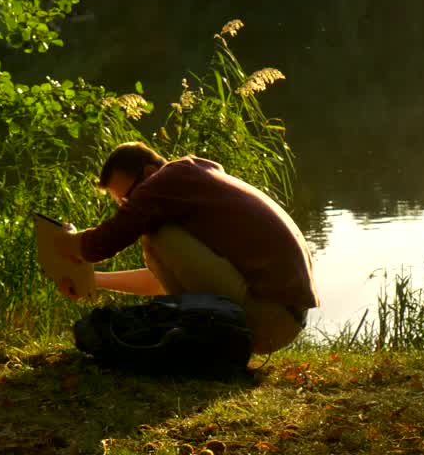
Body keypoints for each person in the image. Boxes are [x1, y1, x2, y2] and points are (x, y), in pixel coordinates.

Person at [52, 142, 318, 354]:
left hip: (271, 317)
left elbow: (101, 244)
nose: (130, 207)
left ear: (148, 173)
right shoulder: (190, 184)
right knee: (159, 238)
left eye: (128, 198)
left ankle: (196, 331)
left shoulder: (171, 179)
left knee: (157, 235)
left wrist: (65, 241)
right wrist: (92, 280)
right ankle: (196, 333)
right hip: (282, 320)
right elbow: (159, 281)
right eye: (122, 204)